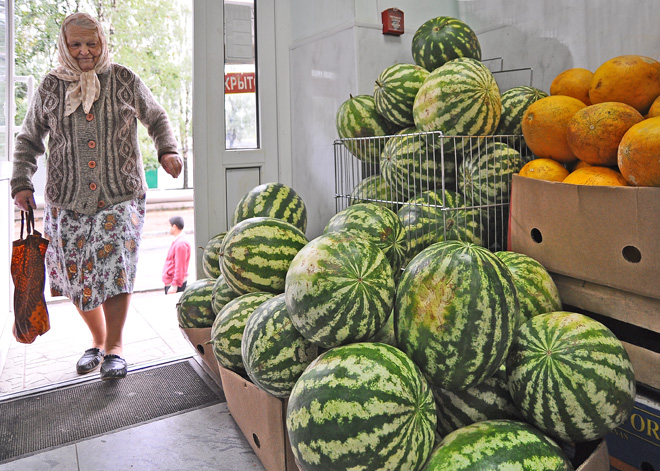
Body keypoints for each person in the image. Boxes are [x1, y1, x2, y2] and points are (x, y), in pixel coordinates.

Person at [10, 12, 182, 381]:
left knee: (115, 270)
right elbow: (28, 138)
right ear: (64, 45)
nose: (85, 51)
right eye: (76, 44)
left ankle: (116, 346)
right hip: (66, 198)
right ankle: (98, 339)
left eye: (92, 42)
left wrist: (168, 150)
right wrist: (21, 181)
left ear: (103, 42)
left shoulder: (123, 79)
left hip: (120, 194)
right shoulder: (50, 87)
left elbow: (157, 117)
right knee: (72, 275)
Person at [162, 216, 191, 295]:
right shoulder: (179, 242)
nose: (169, 228)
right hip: (173, 283)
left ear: (174, 227)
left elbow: (180, 266)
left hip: (174, 284)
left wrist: (174, 286)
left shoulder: (180, 244)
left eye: (170, 226)